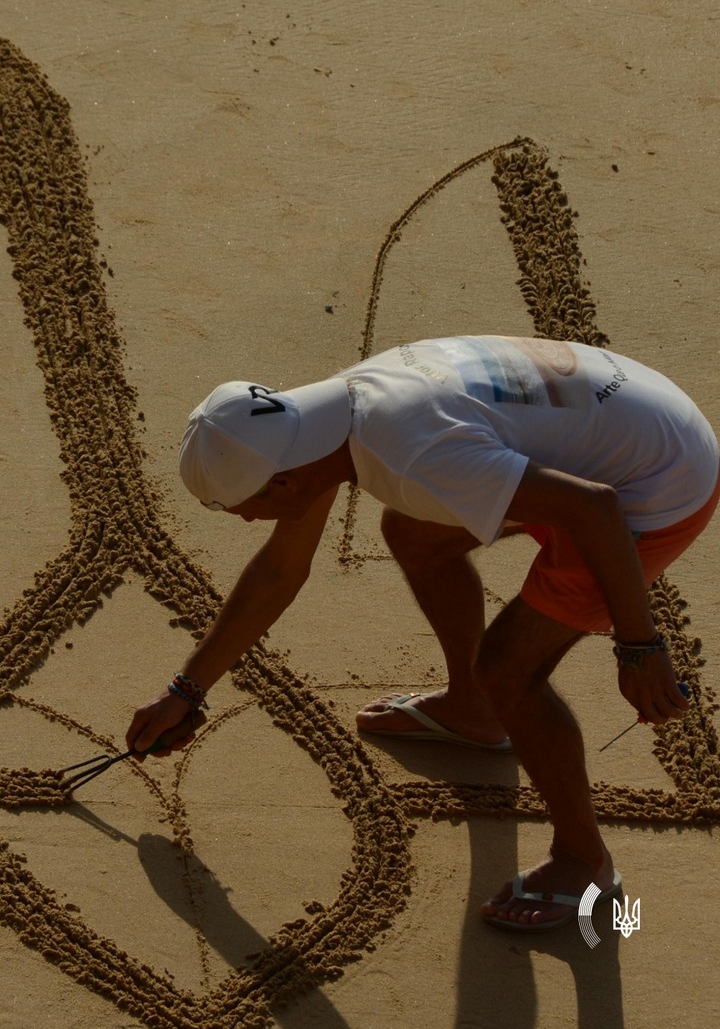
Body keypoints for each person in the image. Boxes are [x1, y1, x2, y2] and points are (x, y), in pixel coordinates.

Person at [126, 335, 718, 932]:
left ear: (282, 484)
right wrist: (188, 689)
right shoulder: (327, 420)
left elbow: (596, 510)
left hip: (658, 486)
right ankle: (474, 714)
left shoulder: (412, 452)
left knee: (510, 671)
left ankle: (583, 861)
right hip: (629, 422)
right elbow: (281, 571)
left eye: (239, 508)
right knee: (415, 530)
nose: (246, 520)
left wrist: (640, 647)